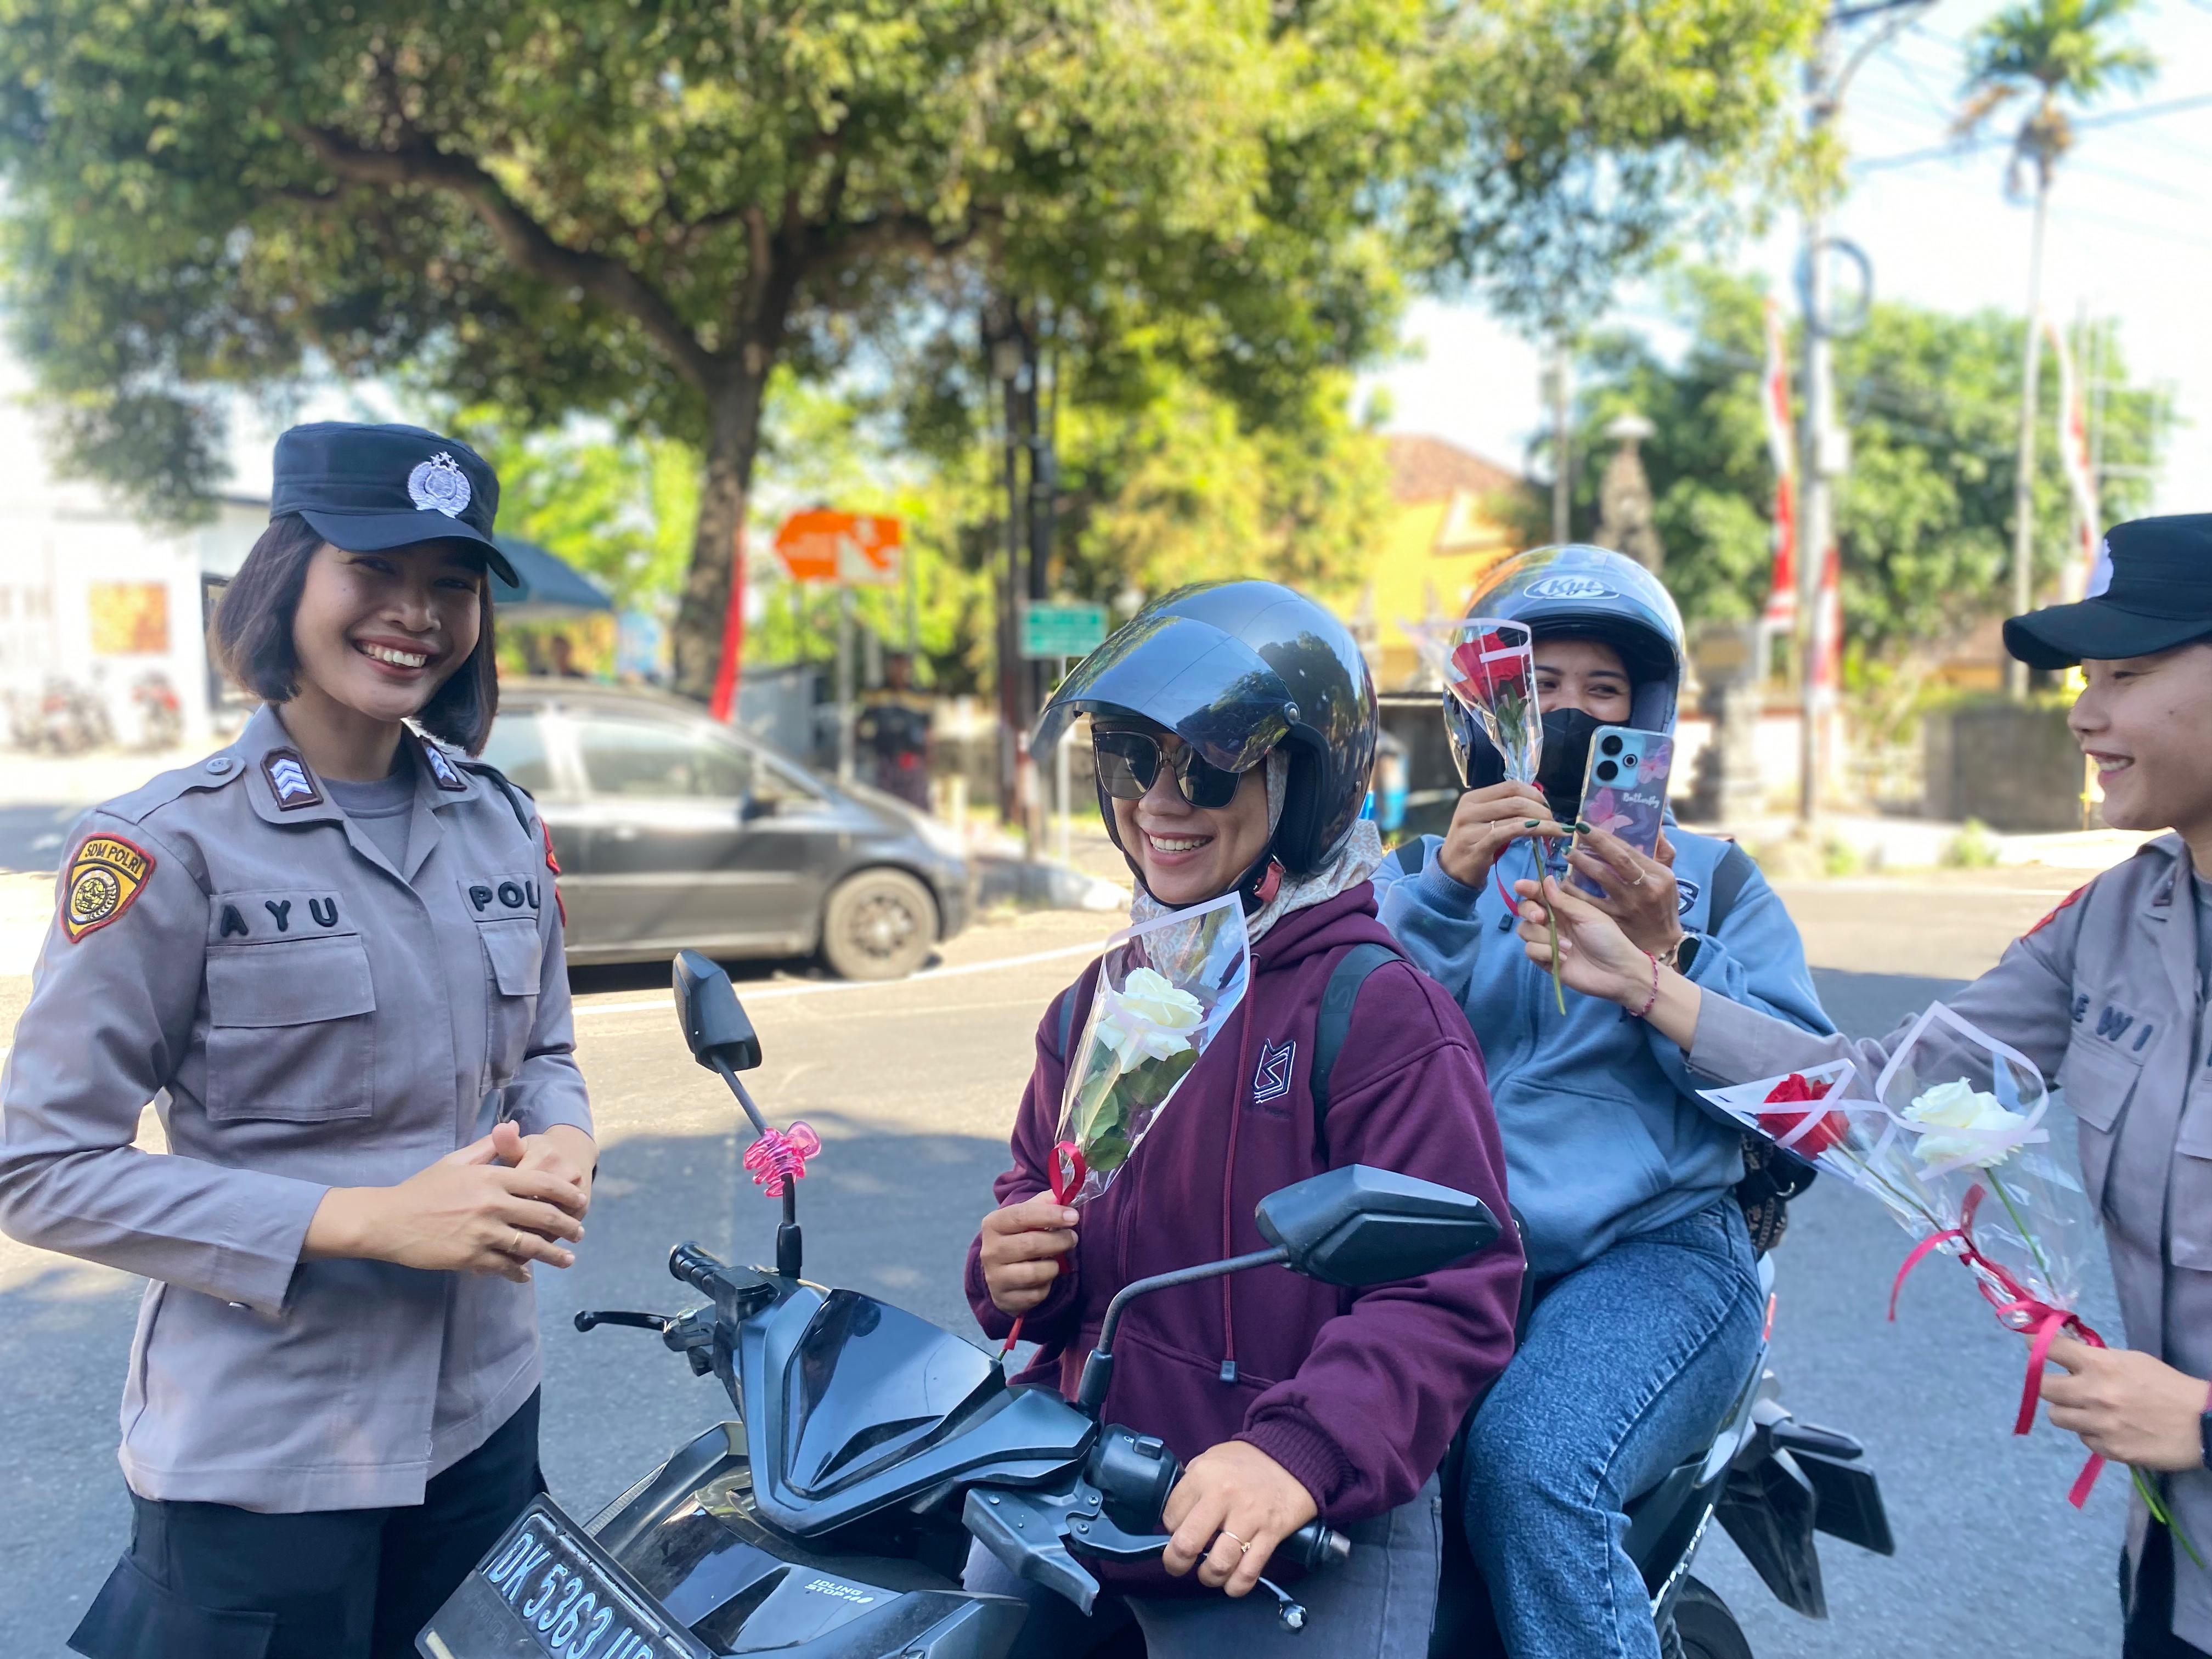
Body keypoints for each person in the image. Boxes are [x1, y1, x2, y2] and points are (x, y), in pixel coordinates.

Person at [1512, 512, 2212, 1658]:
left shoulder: (1723, 876)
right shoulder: (2120, 919)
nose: (2087, 713)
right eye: (2087, 678)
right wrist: (1647, 984)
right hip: (2174, 1593)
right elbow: (1877, 1102)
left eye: (2126, 675)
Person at [0, 422, 595, 1659]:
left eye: (451, 584)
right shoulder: (167, 846)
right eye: (374, 570)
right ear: (285, 579)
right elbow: (40, 1166)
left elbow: (542, 1048)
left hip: (486, 1424)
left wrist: (567, 1138)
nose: (416, 614)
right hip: (268, 1463)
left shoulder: (499, 823)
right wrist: (367, 1222)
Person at [963, 580, 1522, 1657]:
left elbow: (1451, 1289)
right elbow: (1039, 1189)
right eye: (1133, 757)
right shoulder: (1102, 1000)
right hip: (1089, 1486)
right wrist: (1010, 1262)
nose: (1162, 801)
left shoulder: (1376, 1010)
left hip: (1300, 1521)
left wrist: (1298, 1455)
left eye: (1211, 764)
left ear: (1304, 785)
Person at [1370, 544, 1833, 1659]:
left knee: (1533, 1464)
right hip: (1443, 1260)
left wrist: (1666, 963)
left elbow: (1816, 1108)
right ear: (1481, 713)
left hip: (1656, 1256)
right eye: (1536, 690)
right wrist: (1442, 899)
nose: (1567, 716)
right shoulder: (1413, 878)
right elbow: (1334, 1058)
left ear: (1649, 715)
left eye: (1602, 692)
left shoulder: (1712, 879)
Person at [855, 652, 934, 810]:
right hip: (886, 758)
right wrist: (865, 744)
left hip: (912, 760)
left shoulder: (919, 696)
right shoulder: (877, 695)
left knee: (916, 807)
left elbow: (928, 729)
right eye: (894, 667)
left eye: (902, 666)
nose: (898, 671)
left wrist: (930, 753)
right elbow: (862, 724)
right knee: (888, 808)